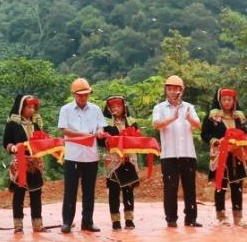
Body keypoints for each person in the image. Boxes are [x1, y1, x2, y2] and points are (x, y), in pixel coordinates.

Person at [58, 77, 107, 234]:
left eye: (86, 94)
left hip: (91, 156)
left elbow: (101, 126)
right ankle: (67, 222)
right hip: (73, 155)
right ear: (74, 94)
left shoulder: (96, 109)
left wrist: (99, 133)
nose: (83, 97)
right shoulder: (65, 109)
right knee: (70, 190)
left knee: (89, 190)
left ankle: (87, 222)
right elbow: (64, 130)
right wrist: (83, 135)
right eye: (80, 95)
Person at [152, 74, 202, 228]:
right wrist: (172, 119)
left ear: (182, 90)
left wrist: (188, 118)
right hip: (169, 154)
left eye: (176, 89)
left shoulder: (189, 107)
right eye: (170, 88)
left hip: (188, 153)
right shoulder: (159, 107)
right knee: (170, 188)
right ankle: (171, 219)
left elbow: (198, 125)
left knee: (190, 187)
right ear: (166, 90)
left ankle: (191, 218)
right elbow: (156, 124)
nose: (173, 92)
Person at [201, 87, 246, 226]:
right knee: (221, 185)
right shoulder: (212, 116)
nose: (227, 102)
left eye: (229, 99)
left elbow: (245, 133)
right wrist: (215, 141)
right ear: (219, 101)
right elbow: (205, 134)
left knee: (237, 185)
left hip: (236, 154)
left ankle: (238, 218)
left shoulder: (240, 117)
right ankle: (221, 216)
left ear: (234, 101)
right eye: (224, 99)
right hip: (219, 155)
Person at [2, 94, 46, 233]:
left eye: (33, 107)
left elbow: (41, 140)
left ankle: (37, 224)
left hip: (35, 162)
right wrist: (13, 147)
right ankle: (18, 225)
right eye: (28, 107)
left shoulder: (36, 124)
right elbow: (6, 142)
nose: (31, 110)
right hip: (20, 161)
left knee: (36, 193)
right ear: (21, 108)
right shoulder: (12, 124)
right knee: (19, 194)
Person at [100, 95, 140, 230]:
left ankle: (129, 219)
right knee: (114, 191)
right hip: (113, 160)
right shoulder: (105, 124)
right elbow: (100, 141)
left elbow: (137, 139)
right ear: (109, 109)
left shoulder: (132, 122)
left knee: (128, 189)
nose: (116, 109)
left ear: (124, 107)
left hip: (129, 159)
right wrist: (106, 139)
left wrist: (127, 152)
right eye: (113, 107)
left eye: (118, 106)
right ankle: (115, 221)